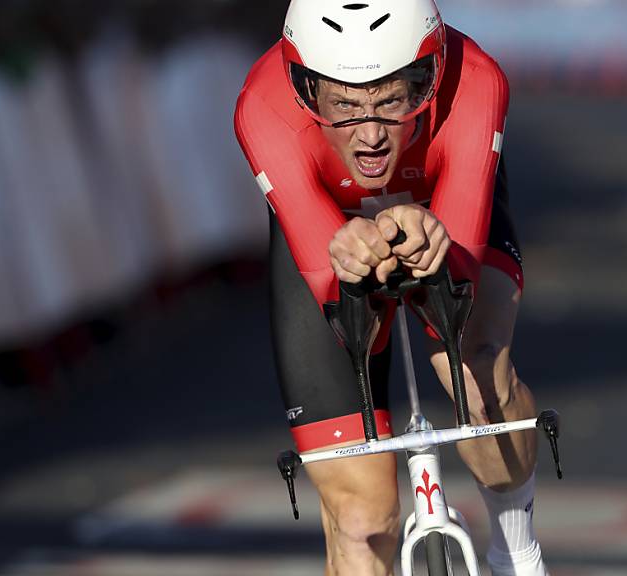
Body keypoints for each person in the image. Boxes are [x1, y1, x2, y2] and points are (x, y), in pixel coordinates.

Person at [234, 1, 547, 574]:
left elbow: (457, 291)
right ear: (305, 92)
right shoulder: (262, 106)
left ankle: (517, 551)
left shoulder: (475, 80)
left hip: (446, 206)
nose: (372, 133)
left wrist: (437, 251)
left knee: (476, 377)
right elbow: (339, 302)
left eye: (392, 100)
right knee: (362, 521)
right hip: (327, 227)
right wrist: (350, 256)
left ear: (428, 78)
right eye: (345, 108)